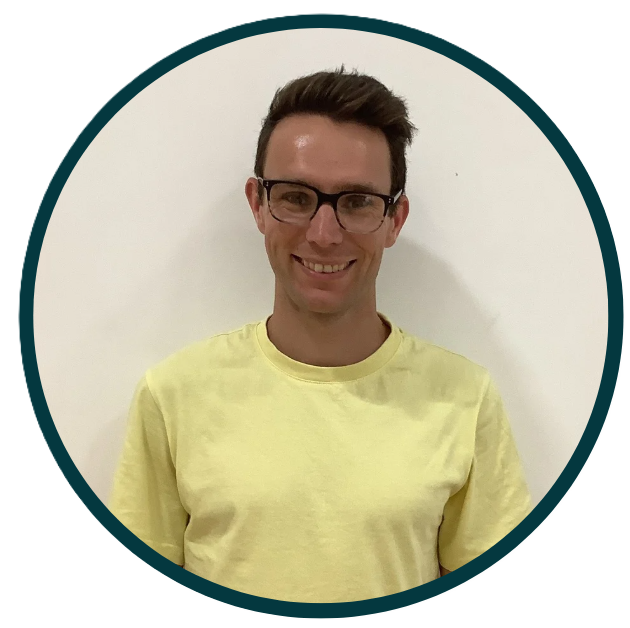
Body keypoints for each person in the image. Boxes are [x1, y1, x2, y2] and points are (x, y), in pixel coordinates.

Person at [109, 67, 532, 603]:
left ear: (395, 219)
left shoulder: (465, 399)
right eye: (295, 197)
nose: (324, 234)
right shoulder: (172, 395)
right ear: (258, 204)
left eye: (357, 201)